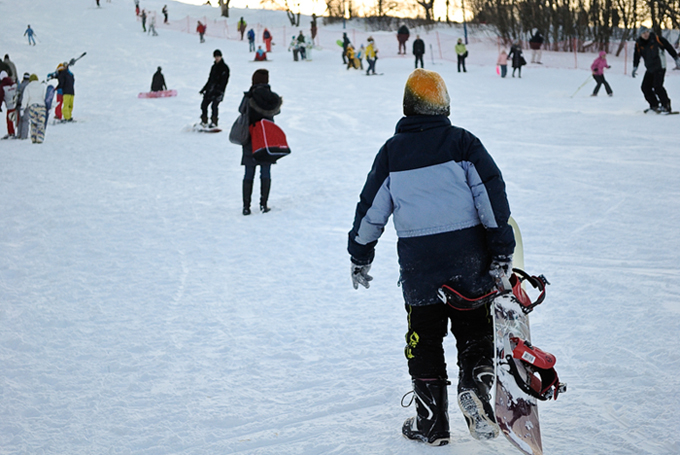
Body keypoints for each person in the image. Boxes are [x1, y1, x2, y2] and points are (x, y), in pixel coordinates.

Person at [348, 68, 514, 447]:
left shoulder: (391, 152)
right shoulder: (463, 143)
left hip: (420, 267)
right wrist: (501, 248)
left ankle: (431, 423)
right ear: (444, 105)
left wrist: (360, 252)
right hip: (468, 258)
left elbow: (371, 208)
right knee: (474, 329)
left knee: (423, 339)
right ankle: (475, 382)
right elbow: (491, 195)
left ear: (408, 107)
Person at [233, 69, 283, 215]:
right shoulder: (272, 97)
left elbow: (241, 110)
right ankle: (263, 204)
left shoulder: (250, 96)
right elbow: (277, 111)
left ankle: (246, 207)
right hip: (267, 138)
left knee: (249, 172)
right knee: (265, 171)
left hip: (250, 137)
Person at [633, 26, 680, 113]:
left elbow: (669, 47)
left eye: (647, 32)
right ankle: (654, 105)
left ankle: (666, 106)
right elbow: (636, 55)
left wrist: (676, 58)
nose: (646, 34)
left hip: (660, 67)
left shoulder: (657, 39)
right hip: (650, 68)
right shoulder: (639, 43)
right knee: (645, 87)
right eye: (643, 33)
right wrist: (635, 67)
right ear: (640, 35)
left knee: (657, 86)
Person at [199, 49, 230, 127]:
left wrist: (220, 90)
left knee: (214, 106)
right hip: (210, 89)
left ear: (221, 57)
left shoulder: (225, 68)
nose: (217, 58)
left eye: (218, 56)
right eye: (215, 57)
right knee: (204, 105)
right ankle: (204, 121)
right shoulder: (213, 67)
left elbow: (224, 82)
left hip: (219, 91)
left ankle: (214, 122)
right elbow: (210, 79)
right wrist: (204, 89)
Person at [21, 74, 47, 143]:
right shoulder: (42, 86)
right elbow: (45, 96)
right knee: (40, 123)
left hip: (32, 107)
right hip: (41, 107)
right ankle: (40, 138)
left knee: (33, 124)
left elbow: (25, 98)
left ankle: (33, 138)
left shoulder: (28, 87)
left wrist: (23, 106)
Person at [0, 71, 17, 139]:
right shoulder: (14, 84)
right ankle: (18, 132)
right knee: (17, 119)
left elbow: (0, 97)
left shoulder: (2, 86)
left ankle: (11, 132)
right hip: (16, 104)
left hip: (9, 105)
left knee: (9, 119)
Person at [15, 72, 31, 139]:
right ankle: (24, 135)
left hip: (19, 104)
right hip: (27, 105)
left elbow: (17, 95)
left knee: (20, 120)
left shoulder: (20, 85)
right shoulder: (29, 86)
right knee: (25, 120)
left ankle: (19, 134)